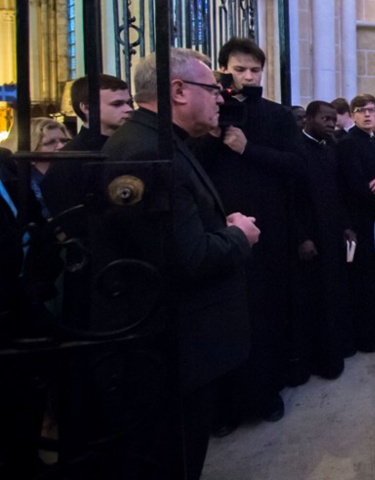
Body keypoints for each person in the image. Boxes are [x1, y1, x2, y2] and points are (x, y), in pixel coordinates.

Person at [99, 48, 259, 479]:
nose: (222, 98)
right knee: (173, 457)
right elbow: (187, 258)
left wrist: (215, 226)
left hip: (179, 341)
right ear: (179, 90)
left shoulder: (160, 140)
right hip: (173, 343)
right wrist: (238, 235)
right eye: (213, 89)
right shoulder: (145, 152)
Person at [191, 37, 299, 431]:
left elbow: (296, 168)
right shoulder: (209, 114)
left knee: (266, 315)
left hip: (268, 230)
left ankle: (264, 394)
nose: (249, 77)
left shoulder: (278, 116)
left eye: (255, 70)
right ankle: (225, 407)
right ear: (223, 71)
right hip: (218, 231)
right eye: (240, 70)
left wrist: (248, 148)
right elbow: (190, 164)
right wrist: (212, 131)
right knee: (222, 318)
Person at [289, 101, 354, 382]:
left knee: (335, 294)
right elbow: (291, 199)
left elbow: (340, 193)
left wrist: (347, 226)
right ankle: (318, 361)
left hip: (332, 232)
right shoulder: (296, 149)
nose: (331, 123)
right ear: (309, 119)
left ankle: (336, 351)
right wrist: (302, 237)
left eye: (333, 119)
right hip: (311, 236)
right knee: (315, 300)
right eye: (325, 119)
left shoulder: (332, 147)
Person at [336, 94, 375, 352]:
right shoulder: (349, 144)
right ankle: (367, 336)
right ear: (353, 114)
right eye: (361, 110)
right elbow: (354, 185)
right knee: (365, 278)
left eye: (371, 110)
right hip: (362, 218)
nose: (367, 115)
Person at [42, 74, 133, 226]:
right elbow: (70, 218)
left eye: (129, 103)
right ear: (86, 107)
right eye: (117, 104)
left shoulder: (132, 145)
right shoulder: (70, 157)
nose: (128, 109)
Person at [28, 118, 71, 219]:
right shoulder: (25, 178)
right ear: (33, 145)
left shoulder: (71, 171)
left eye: (64, 141)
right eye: (50, 142)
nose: (61, 146)